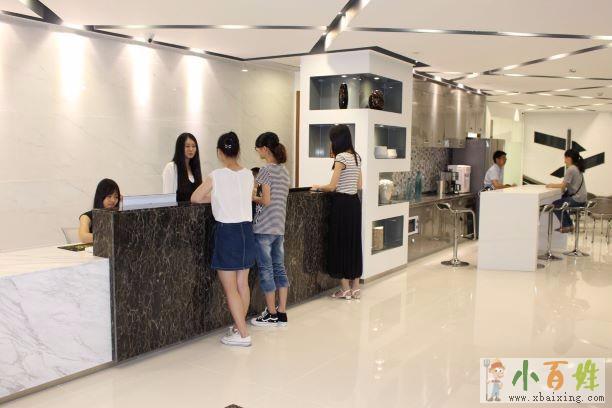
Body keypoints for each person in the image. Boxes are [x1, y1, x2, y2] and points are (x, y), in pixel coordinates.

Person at [191, 132, 255, 347]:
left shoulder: (216, 175)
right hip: (246, 231)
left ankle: (243, 334)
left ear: (219, 152)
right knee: (242, 284)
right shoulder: (248, 174)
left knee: (230, 289)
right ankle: (238, 328)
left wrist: (216, 198)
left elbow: (195, 197)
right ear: (238, 151)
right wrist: (221, 198)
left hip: (227, 233)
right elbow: (244, 198)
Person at [312, 124, 363, 300]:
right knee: (353, 243)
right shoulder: (356, 157)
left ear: (337, 140)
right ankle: (356, 288)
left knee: (340, 244)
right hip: (354, 204)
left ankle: (345, 289)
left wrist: (318, 187)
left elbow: (332, 186)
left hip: (341, 204)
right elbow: (359, 185)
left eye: (332, 140)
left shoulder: (341, 157)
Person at [250, 132, 291, 327]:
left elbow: (264, 199)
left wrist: (250, 194)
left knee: (266, 270)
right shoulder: (284, 171)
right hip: (278, 227)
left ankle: (271, 314)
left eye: (258, 148)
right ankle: (281, 312)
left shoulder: (265, 171)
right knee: (279, 269)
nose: (257, 152)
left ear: (265, 149)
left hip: (264, 227)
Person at [546, 149, 588, 233]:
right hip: (582, 199)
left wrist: (551, 185)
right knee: (561, 204)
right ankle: (570, 226)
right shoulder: (577, 168)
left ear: (569, 158)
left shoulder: (571, 169)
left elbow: (563, 185)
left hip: (577, 199)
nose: (564, 161)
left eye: (565, 158)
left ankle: (566, 226)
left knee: (555, 205)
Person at [162, 133, 203, 202]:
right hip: (178, 209)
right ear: (180, 148)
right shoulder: (171, 167)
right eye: (187, 146)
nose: (191, 149)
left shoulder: (195, 169)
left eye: (193, 146)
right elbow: (167, 197)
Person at [78, 179, 121, 243]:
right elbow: (84, 237)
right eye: (109, 196)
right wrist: (111, 236)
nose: (113, 200)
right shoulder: (86, 217)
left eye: (116, 197)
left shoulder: (118, 215)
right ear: (100, 197)